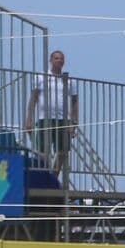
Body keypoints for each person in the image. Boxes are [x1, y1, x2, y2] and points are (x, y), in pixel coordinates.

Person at [25, 49, 78, 179]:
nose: (59, 60)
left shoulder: (69, 81)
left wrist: (74, 122)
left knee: (62, 151)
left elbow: (74, 102)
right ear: (50, 60)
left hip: (62, 120)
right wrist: (29, 119)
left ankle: (54, 176)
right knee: (42, 150)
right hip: (45, 119)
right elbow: (33, 99)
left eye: (61, 58)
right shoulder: (41, 78)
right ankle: (43, 176)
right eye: (56, 58)